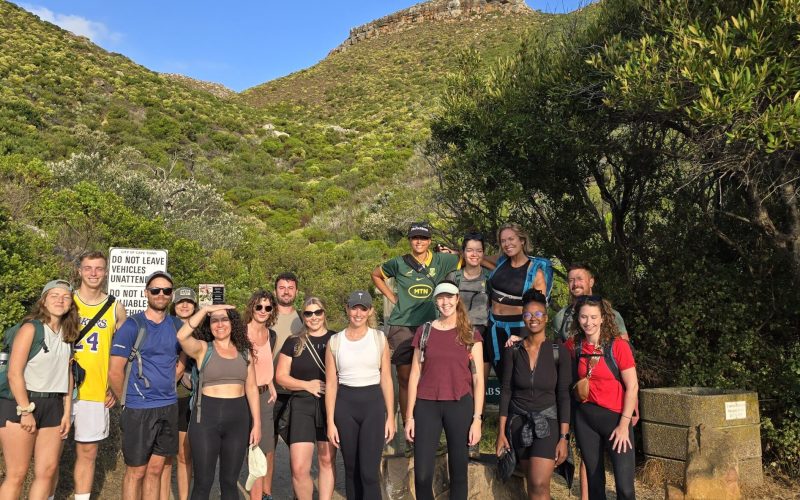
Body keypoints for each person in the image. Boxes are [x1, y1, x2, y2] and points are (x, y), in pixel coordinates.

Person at [371, 222, 460, 438]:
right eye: (414, 238)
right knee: (403, 377)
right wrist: (392, 298)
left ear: (430, 240)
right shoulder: (399, 263)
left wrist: (454, 252)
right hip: (403, 324)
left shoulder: (441, 260)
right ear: (410, 240)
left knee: (430, 377)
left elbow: (469, 258)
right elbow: (376, 274)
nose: (418, 241)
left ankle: (431, 432)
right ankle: (408, 428)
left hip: (431, 324)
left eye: (423, 237)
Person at [550, 263, 630, 500]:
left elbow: (629, 374)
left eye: (580, 278)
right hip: (581, 404)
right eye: (571, 279)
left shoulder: (615, 330)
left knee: (623, 485)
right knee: (591, 470)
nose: (588, 321)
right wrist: (522, 343)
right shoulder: (566, 329)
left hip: (613, 408)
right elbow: (553, 352)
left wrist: (629, 414)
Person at [0, 280, 78, 499]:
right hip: (21, 402)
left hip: (53, 405)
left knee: (47, 472)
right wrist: (25, 411)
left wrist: (66, 412)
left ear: (71, 303)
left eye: (65, 297)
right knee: (17, 473)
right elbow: (14, 373)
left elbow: (68, 373)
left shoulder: (67, 332)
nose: (59, 300)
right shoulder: (30, 328)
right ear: (43, 300)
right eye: (54, 295)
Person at [405, 281, 484, 500]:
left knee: (458, 472)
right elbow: (414, 374)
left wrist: (477, 418)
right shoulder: (425, 331)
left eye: (449, 297)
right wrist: (409, 416)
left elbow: (478, 379)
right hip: (426, 405)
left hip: (459, 405)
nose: (445, 302)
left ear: (457, 299)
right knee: (422, 474)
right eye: (441, 297)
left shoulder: (470, 334)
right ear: (435, 301)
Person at [108, 271, 183, 500]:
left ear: (171, 295)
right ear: (146, 293)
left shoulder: (177, 325)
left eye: (166, 291)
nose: (161, 294)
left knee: (155, 470)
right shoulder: (132, 325)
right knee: (136, 471)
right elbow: (115, 370)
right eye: (155, 290)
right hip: (138, 409)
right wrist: (126, 402)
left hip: (169, 405)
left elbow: (184, 357)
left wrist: (172, 379)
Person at [177, 304, 261, 500]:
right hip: (205, 420)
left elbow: (251, 388)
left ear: (233, 323)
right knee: (203, 483)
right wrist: (206, 310)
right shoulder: (203, 349)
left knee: (230, 483)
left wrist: (256, 424)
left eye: (224, 319)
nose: (220, 324)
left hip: (238, 422)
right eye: (214, 320)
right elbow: (182, 336)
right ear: (209, 325)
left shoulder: (244, 352)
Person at [496, 289, 571, 500]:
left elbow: (564, 395)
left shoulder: (559, 351)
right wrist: (501, 432)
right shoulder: (513, 350)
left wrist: (564, 437)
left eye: (538, 314)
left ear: (546, 318)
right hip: (518, 422)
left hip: (547, 423)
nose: (533, 319)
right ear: (523, 318)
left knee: (539, 484)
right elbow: (506, 391)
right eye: (528, 315)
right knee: (533, 485)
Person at [565, 296, 638, 500]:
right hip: (586, 419)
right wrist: (521, 338)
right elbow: (546, 350)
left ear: (603, 318)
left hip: (616, 420)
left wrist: (624, 425)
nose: (589, 322)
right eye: (584, 317)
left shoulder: (618, 347)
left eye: (594, 317)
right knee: (595, 485)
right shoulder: (574, 346)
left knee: (625, 488)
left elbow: (632, 386)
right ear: (577, 318)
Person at [325, 291, 395, 500]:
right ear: (347, 309)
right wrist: (330, 422)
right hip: (345, 406)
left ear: (370, 311)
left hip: (372, 405)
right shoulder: (335, 342)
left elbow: (387, 379)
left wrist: (390, 416)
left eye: (363, 308)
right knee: (351, 469)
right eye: (354, 307)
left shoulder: (379, 338)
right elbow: (331, 383)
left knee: (368, 472)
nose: (358, 313)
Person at [71, 251, 127, 500]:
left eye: (99, 268)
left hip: (95, 390)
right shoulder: (66, 301)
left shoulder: (115, 306)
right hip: (60, 388)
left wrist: (115, 387)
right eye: (88, 268)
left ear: (106, 272)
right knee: (48, 455)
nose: (93, 273)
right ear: (80, 271)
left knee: (88, 453)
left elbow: (123, 354)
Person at [275, 297, 336, 500]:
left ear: (324, 313)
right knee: (299, 467)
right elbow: (281, 376)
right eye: (308, 313)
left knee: (326, 460)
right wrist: (306, 385)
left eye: (318, 312)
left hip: (328, 406)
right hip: (301, 404)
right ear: (303, 316)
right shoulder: (294, 342)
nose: (313, 317)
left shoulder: (336, 339)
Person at [484, 223, 553, 377]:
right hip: (495, 327)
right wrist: (456, 252)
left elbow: (539, 311)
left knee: (520, 375)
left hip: (519, 328)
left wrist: (527, 337)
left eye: (511, 239)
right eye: (503, 241)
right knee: (502, 374)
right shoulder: (500, 262)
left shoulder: (535, 272)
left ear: (522, 240)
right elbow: (477, 257)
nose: (507, 244)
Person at [445, 232, 491, 457]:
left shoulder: (490, 278)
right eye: (470, 250)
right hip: (454, 339)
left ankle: (474, 440)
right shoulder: (453, 277)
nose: (475, 254)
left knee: (477, 386)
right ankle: (454, 438)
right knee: (457, 389)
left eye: (479, 250)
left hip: (481, 339)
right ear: (463, 252)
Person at [159, 287, 197, 500]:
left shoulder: (202, 330)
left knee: (185, 455)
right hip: (163, 398)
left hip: (187, 398)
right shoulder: (163, 325)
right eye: (181, 301)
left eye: (189, 302)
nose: (184, 305)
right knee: (164, 456)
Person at [244, 290, 278, 500]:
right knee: (249, 451)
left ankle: (265, 495)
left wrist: (271, 382)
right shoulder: (240, 332)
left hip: (264, 396)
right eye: (259, 307)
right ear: (252, 307)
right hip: (242, 398)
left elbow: (266, 362)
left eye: (268, 307)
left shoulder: (271, 335)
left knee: (264, 451)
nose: (263, 311)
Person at [552, 263, 629, 342]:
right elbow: (557, 350)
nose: (575, 284)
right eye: (571, 280)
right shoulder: (561, 317)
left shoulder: (610, 314)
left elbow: (625, 347)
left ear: (591, 282)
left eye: (580, 279)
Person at [272, 272, 303, 458]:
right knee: (266, 447)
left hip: (296, 392)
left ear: (296, 292)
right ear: (275, 290)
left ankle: (298, 487)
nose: (286, 292)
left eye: (290, 288)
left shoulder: (304, 317)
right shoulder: (265, 315)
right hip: (270, 392)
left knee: (298, 448)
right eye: (282, 288)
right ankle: (265, 488)